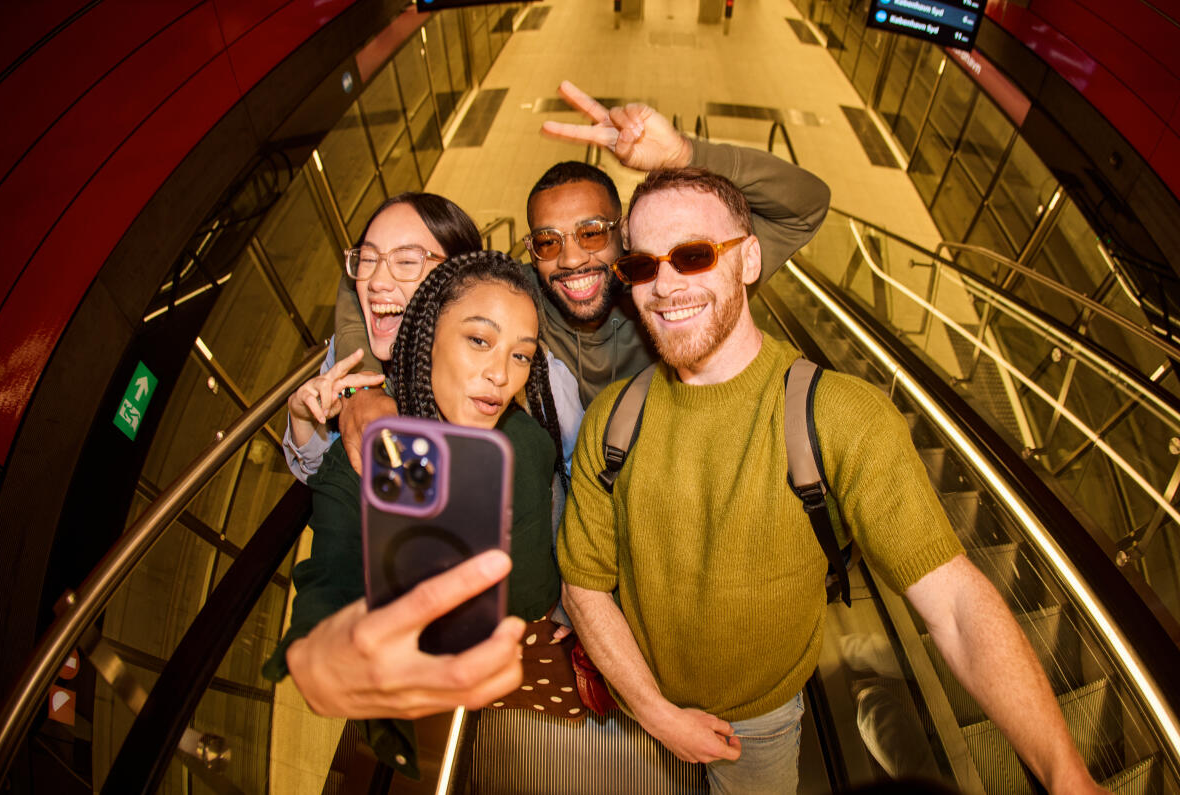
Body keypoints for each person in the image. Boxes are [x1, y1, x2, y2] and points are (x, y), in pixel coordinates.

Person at [556, 167, 1105, 794]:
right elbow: (585, 583)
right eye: (643, 267)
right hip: (635, 710)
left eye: (693, 255)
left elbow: (953, 604)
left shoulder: (840, 416)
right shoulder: (614, 418)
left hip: (756, 729)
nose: (666, 286)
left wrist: (1065, 776)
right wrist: (653, 711)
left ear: (750, 259)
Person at [332, 80, 832, 471]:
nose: (570, 260)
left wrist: (685, 156)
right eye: (547, 242)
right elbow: (375, 286)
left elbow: (805, 206)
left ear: (626, 235)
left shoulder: (672, 290)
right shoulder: (520, 299)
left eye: (592, 233)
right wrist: (362, 389)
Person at [264, 250, 581, 776]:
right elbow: (329, 577)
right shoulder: (369, 456)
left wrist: (571, 607)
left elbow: (554, 525)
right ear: (427, 334)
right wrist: (325, 648)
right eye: (479, 340)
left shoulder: (526, 439)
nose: (501, 375)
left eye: (521, 355)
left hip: (542, 651)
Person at [281, 191, 483, 480]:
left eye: (406, 262)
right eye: (368, 258)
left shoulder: (498, 368)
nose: (376, 281)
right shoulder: (349, 355)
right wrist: (305, 420)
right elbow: (323, 474)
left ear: (459, 278)